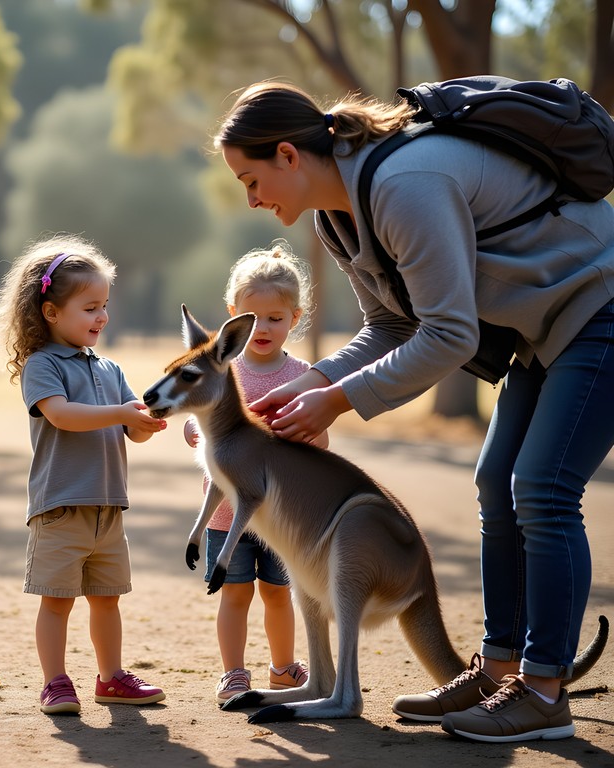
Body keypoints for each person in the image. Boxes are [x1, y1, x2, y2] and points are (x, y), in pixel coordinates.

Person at [212, 79, 614, 742]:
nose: (251, 199)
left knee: (541, 485)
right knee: (496, 483)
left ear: (288, 155)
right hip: (544, 327)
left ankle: (542, 693)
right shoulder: (335, 215)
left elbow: (450, 334)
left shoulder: (404, 183)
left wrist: (336, 401)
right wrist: (313, 379)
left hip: (598, 302)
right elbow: (392, 325)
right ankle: (496, 672)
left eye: (250, 180)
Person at [0, 234, 168, 716]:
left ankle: (111, 679)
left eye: (104, 305)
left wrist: (144, 424)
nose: (101, 317)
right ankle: (56, 683)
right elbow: (62, 415)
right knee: (57, 602)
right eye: (89, 307)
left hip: (109, 508)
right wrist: (119, 413)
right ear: (51, 312)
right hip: (60, 506)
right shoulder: (42, 365)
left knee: (107, 601)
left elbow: (132, 433)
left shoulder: (110, 367)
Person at [182, 244, 320, 702]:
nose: (263, 328)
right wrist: (193, 431)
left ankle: (282, 669)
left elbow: (319, 442)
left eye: (276, 318)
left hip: (282, 515)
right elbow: (194, 419)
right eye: (252, 317)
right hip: (227, 516)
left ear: (295, 317)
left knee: (280, 595)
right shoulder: (220, 370)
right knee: (235, 595)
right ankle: (234, 674)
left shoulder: (304, 376)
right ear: (232, 316)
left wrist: (303, 436)